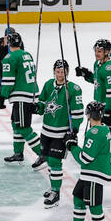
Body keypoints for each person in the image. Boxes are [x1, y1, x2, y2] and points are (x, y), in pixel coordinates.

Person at [61, 101, 111, 221]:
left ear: (88, 114)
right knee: (77, 196)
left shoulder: (95, 132)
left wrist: (72, 146)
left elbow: (84, 158)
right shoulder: (103, 129)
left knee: (94, 205)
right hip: (90, 173)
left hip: (94, 174)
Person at [36, 59, 84, 210]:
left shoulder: (74, 89)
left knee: (56, 163)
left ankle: (56, 193)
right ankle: (53, 187)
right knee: (49, 161)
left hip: (60, 133)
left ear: (67, 72)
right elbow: (42, 102)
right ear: (54, 72)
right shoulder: (48, 84)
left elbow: (78, 112)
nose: (60, 74)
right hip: (46, 130)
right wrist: (36, 107)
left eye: (62, 71)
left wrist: (73, 130)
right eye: (57, 71)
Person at [0, 29, 41, 165]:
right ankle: (18, 153)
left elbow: (8, 80)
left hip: (22, 96)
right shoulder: (27, 54)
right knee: (16, 124)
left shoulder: (10, 58)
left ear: (8, 44)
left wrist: (1, 96)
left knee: (23, 127)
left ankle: (42, 153)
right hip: (30, 93)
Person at [76, 39, 111, 149]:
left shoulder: (110, 68)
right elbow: (98, 81)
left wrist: (108, 111)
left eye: (100, 51)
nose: (97, 53)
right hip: (103, 105)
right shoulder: (97, 64)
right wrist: (86, 74)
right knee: (97, 131)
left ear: (107, 52)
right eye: (96, 50)